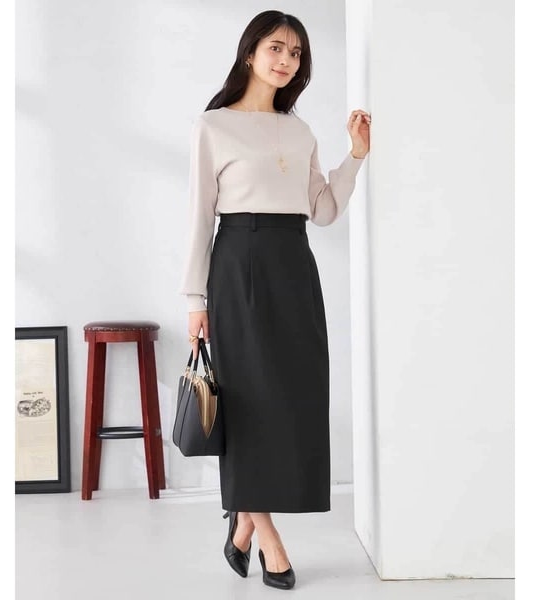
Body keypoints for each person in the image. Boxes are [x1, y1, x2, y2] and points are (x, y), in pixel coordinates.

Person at [179, 9, 370, 590]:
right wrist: (194, 297)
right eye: (276, 48)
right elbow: (200, 217)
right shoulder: (214, 126)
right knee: (247, 404)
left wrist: (355, 156)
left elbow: (323, 210)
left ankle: (241, 524)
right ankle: (269, 540)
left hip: (294, 264)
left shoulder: (300, 130)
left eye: (296, 52)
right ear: (250, 53)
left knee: (292, 400)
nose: (286, 60)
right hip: (237, 264)